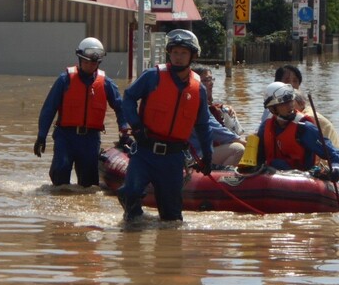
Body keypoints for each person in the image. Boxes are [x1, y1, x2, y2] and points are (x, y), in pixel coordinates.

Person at [117, 29, 213, 221]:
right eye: (175, 52)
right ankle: (133, 223)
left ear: (192, 56)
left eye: (183, 53)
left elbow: (203, 125)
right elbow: (128, 98)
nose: (178, 57)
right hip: (145, 151)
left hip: (173, 157)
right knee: (131, 192)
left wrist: (207, 156)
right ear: (169, 53)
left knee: (172, 217)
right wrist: (135, 126)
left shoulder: (198, 89)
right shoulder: (152, 76)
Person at [33, 37, 126, 187]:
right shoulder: (65, 80)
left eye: (94, 63)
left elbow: (120, 108)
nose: (90, 66)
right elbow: (49, 109)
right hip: (66, 136)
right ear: (80, 60)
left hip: (90, 139)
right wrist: (41, 136)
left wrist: (124, 128)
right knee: (60, 175)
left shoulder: (106, 83)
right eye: (86, 62)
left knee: (88, 184)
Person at [256, 81, 339, 181]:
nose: (290, 106)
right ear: (272, 109)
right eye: (284, 103)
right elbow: (258, 158)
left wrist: (335, 167)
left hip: (300, 179)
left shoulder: (304, 128)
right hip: (272, 177)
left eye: (291, 101)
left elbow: (332, 153)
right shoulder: (265, 127)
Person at [189, 66, 246, 167]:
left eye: (211, 79)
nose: (211, 83)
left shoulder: (215, 107)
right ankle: (222, 178)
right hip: (194, 155)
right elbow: (217, 131)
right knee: (238, 149)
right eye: (206, 80)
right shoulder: (197, 106)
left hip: (199, 152)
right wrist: (248, 145)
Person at [293, 90, 339, 178]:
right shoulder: (289, 118)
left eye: (290, 103)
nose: (288, 107)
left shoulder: (305, 119)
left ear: (301, 103)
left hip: (332, 164)